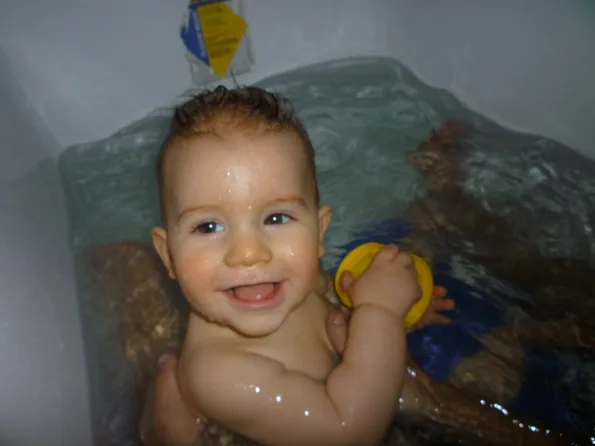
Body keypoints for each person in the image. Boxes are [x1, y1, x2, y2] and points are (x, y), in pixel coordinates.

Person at [146, 85, 429, 445]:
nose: (248, 253)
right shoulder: (218, 375)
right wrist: (381, 312)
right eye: (208, 227)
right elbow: (349, 432)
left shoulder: (293, 279)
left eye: (277, 218)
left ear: (319, 233)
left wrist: (387, 312)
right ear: (169, 256)